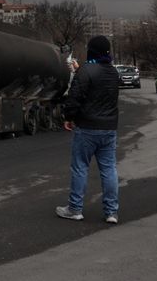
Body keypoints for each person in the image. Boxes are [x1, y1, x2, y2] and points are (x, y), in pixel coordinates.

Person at [56, 35, 120, 224]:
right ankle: (111, 212)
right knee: (109, 170)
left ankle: (75, 209)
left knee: (80, 168)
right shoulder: (113, 72)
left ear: (92, 51)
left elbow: (75, 97)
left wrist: (69, 118)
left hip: (87, 128)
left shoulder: (86, 70)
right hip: (109, 128)